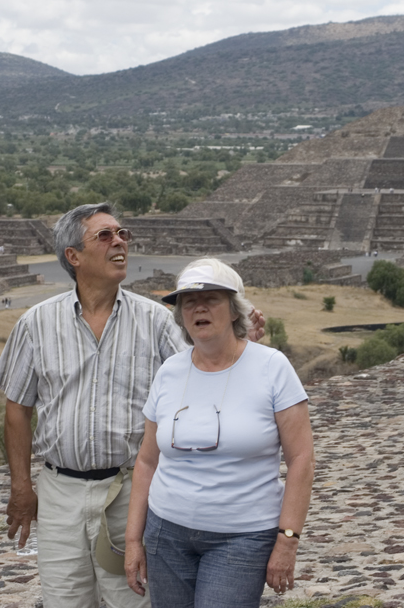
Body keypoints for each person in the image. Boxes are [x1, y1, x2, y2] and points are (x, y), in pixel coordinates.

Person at [0, 203, 209, 608]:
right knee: (64, 599)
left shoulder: (156, 321)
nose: (120, 242)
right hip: (60, 493)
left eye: (122, 233)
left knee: (134, 599)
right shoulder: (36, 323)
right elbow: (17, 408)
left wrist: (238, 334)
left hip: (131, 490)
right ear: (73, 256)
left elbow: (199, 383)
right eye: (105, 235)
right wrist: (21, 486)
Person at [124, 259, 314, 608]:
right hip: (167, 533)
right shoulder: (170, 371)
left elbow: (301, 459)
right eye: (188, 302)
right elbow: (147, 461)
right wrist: (134, 540)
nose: (198, 308)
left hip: (241, 537)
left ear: (234, 310)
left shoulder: (272, 367)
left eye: (211, 298)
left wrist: (287, 541)